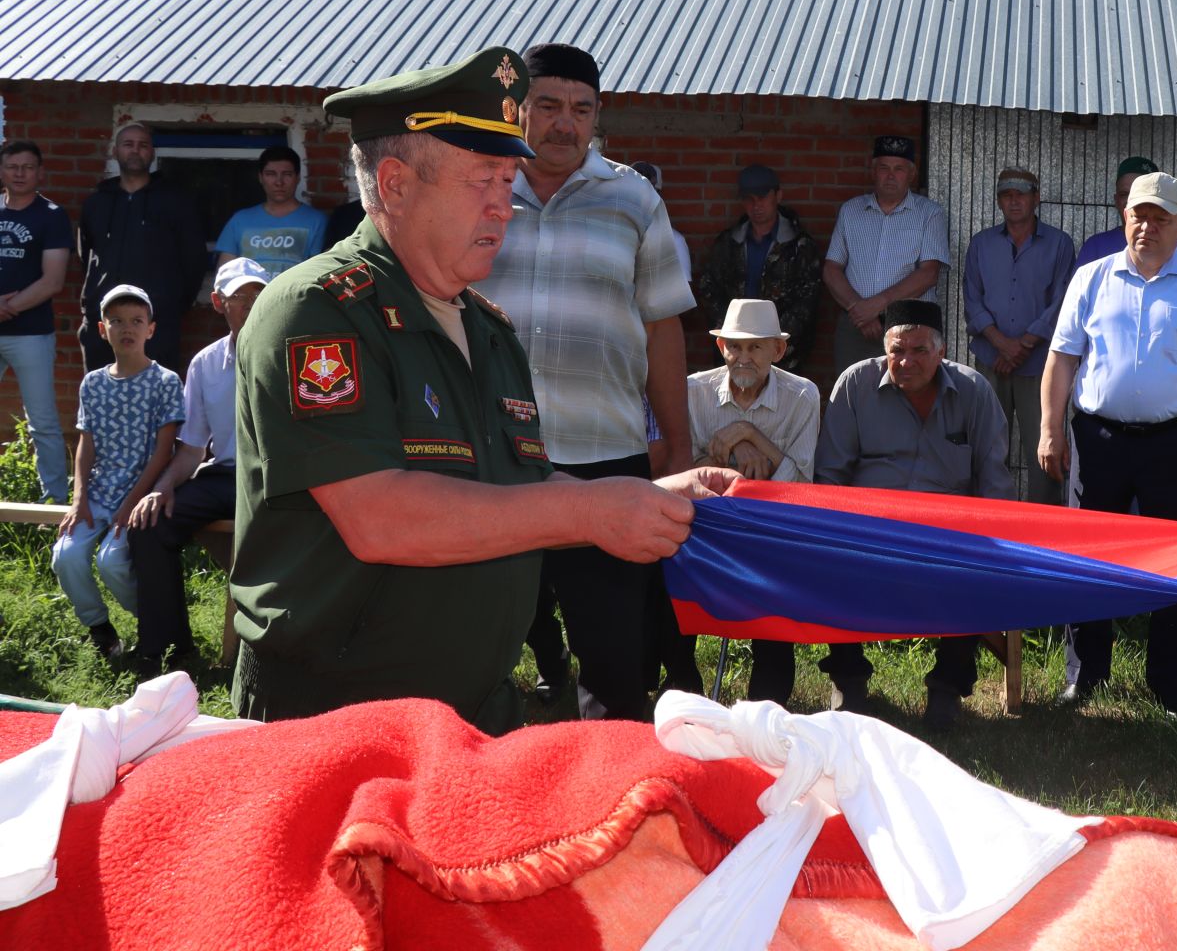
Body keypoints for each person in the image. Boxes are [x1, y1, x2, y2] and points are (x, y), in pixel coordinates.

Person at [228, 46, 733, 736]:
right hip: (340, 719)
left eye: (508, 178)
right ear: (397, 185)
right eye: (483, 181)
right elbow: (380, 515)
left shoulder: (487, 328)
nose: (507, 205)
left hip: (473, 712)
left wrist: (652, 500)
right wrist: (589, 513)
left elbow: (515, 480)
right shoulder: (319, 310)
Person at [473, 42, 704, 720]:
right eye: (548, 106)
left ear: (598, 115)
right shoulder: (479, 189)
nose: (565, 125)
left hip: (605, 463)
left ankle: (619, 802)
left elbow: (663, 329)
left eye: (581, 110)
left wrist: (680, 451)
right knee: (469, 648)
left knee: (615, 662)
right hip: (489, 462)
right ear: (519, 110)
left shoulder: (634, 200)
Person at [1039, 171, 1177, 714]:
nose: (1146, 226)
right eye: (1137, 215)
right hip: (1096, 439)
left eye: (1160, 217)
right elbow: (1061, 360)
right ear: (1123, 218)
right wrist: (1049, 429)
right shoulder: (1090, 278)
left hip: (1175, 443)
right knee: (1088, 560)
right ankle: (1085, 678)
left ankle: (1169, 687)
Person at [816, 301, 1013, 731]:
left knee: (974, 568)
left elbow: (995, 483)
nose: (906, 362)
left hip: (948, 536)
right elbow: (830, 476)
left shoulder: (975, 391)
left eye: (919, 351)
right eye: (896, 350)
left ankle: (946, 690)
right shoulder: (855, 385)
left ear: (942, 351)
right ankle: (848, 683)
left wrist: (988, 546)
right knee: (830, 562)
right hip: (870, 530)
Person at [123, 257, 270, 669]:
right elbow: (190, 448)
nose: (250, 304)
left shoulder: (290, 351)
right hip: (223, 477)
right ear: (218, 303)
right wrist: (161, 487)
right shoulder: (206, 362)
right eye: (239, 297)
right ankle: (168, 650)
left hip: (274, 479)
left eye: (257, 294)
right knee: (150, 522)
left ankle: (271, 652)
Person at [688, 298, 823, 707]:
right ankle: (682, 687)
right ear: (721, 348)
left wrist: (746, 432)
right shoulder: (694, 390)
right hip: (707, 521)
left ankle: (769, 703)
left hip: (774, 525)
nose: (742, 358)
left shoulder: (803, 396)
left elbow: (798, 485)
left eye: (755, 348)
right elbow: (685, 470)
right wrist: (734, 455)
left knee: (776, 582)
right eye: (734, 347)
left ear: (778, 351)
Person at [53, 284, 185, 658]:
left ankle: (156, 626)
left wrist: (130, 504)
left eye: (136, 321)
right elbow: (86, 444)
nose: (127, 328)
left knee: (111, 562)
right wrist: (79, 499)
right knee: (66, 555)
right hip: (97, 494)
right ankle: (100, 629)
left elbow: (163, 452)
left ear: (151, 329)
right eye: (117, 321)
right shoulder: (92, 383)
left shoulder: (165, 382)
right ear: (101, 329)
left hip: (139, 495)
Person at [961, 167, 1077, 505]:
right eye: (1006, 194)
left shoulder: (1059, 243)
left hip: (1040, 365)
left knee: (1043, 448)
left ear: (1036, 198)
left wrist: (1023, 345)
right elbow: (972, 298)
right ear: (998, 201)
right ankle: (988, 519)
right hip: (990, 361)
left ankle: (1046, 523)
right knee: (986, 446)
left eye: (1021, 193)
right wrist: (1001, 343)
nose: (1014, 200)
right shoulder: (981, 244)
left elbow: (1063, 300)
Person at [77, 122, 206, 372]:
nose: (135, 151)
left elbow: (194, 261)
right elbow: (87, 257)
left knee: (156, 404)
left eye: (143, 145)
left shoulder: (176, 202)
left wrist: (170, 305)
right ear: (115, 151)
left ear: (152, 153)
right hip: (103, 321)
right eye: (128, 144)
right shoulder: (96, 203)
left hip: (156, 323)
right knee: (102, 403)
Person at [823, 136, 950, 375]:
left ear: (911, 174)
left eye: (899, 169)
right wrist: (860, 309)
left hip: (910, 329)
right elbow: (831, 269)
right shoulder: (851, 210)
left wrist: (877, 305)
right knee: (853, 397)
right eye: (884, 168)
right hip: (856, 327)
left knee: (908, 399)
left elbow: (928, 274)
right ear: (873, 171)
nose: (891, 176)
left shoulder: (929, 213)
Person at [0, 139, 74, 503]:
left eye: (27, 167)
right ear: (2, 171)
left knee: (42, 422)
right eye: (13, 166)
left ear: (39, 172)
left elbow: (53, 280)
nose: (19, 173)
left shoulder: (52, 215)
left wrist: (6, 307)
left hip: (30, 334)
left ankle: (56, 505)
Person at [698, 164, 824, 363]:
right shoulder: (728, 243)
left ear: (778, 196)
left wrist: (776, 340)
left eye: (763, 197)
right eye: (749, 199)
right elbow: (708, 286)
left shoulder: (800, 246)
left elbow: (807, 300)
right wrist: (729, 330)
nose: (756, 205)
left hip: (782, 352)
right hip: (734, 348)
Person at [213, 147, 329, 276]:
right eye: (271, 174)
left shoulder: (317, 220)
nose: (279, 182)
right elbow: (225, 276)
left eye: (287, 174)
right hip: (250, 296)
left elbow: (319, 274)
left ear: (298, 178)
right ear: (261, 177)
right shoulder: (240, 220)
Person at [1072, 155, 1177, 268]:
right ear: (1116, 200)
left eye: (1142, 194)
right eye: (1124, 194)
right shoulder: (1095, 248)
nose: (1131, 200)